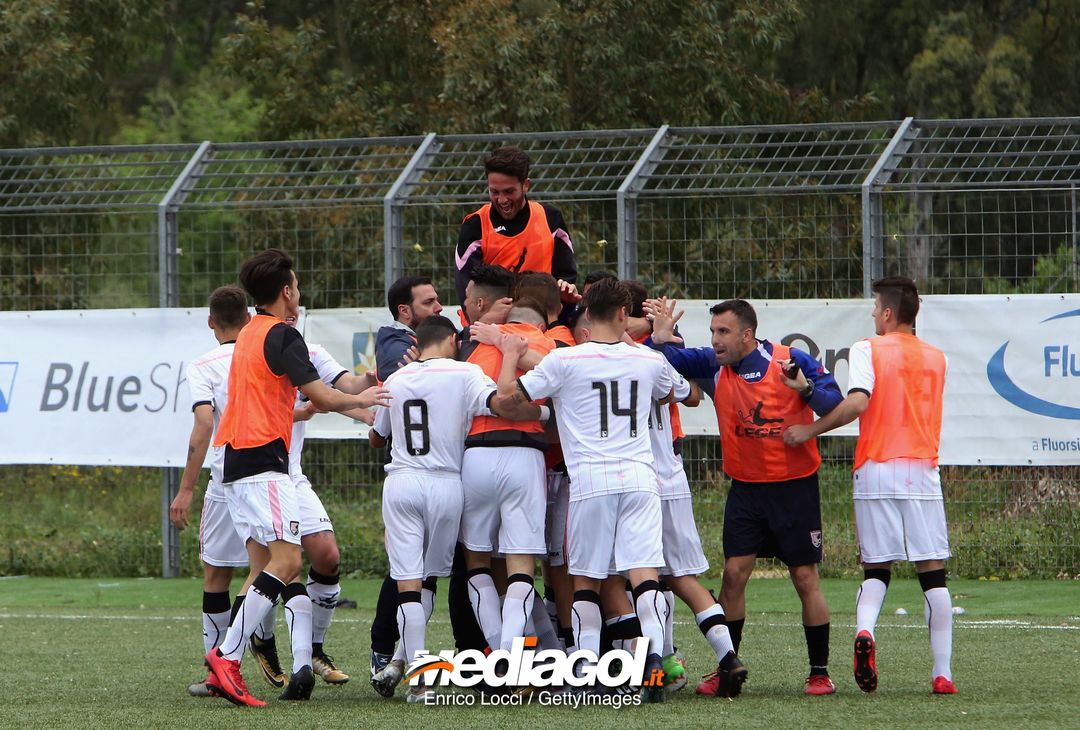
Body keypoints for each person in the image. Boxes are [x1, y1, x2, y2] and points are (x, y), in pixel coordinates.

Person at [204, 248, 389, 707]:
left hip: (241, 462)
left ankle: (233, 658)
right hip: (261, 461)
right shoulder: (284, 336)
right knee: (285, 564)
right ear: (286, 291)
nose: (299, 293)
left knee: (275, 565)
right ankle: (227, 657)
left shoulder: (250, 332)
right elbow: (322, 397)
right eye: (297, 285)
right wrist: (372, 400)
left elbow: (302, 400)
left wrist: (357, 400)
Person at [645, 296, 843, 696]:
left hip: (794, 487)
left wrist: (804, 391)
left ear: (747, 335)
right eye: (713, 332)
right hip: (746, 490)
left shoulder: (791, 360)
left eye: (724, 332)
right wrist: (659, 339)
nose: (715, 340)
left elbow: (832, 403)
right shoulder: (714, 365)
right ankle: (726, 665)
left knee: (805, 577)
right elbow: (651, 364)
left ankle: (819, 672)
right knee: (733, 576)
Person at [489, 278, 674, 703]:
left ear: (586, 314)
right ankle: (653, 662)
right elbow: (673, 393)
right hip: (641, 478)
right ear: (624, 315)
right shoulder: (646, 360)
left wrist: (507, 379)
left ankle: (588, 669)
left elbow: (512, 400)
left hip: (592, 480)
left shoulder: (566, 360)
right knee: (644, 576)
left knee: (586, 580)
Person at [783, 276, 956, 695]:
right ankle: (942, 674)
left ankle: (865, 632)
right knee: (932, 575)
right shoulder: (937, 357)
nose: (873, 313)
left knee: (877, 569)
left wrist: (811, 430)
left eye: (876, 306)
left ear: (889, 313)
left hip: (876, 467)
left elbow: (859, 401)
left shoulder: (868, 348)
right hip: (921, 469)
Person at [368, 315, 540, 702]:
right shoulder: (464, 373)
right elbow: (501, 401)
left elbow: (377, 438)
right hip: (446, 482)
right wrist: (511, 359)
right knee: (430, 578)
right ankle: (426, 669)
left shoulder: (397, 378)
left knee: (410, 584)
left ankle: (417, 679)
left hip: (403, 480)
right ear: (450, 339)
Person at [170, 286, 281, 696]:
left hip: (224, 478)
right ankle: (260, 650)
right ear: (250, 319)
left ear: (211, 321)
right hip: (269, 475)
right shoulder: (264, 352)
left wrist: (185, 490)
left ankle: (219, 666)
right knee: (272, 566)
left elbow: (203, 424)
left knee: (218, 574)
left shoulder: (203, 364)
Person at [455, 146, 576, 306]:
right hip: (492, 324)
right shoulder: (476, 224)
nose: (502, 200)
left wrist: (565, 289)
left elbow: (566, 276)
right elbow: (467, 288)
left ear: (526, 185)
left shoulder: (550, 218)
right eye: (494, 192)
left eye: (509, 191)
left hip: (541, 321)